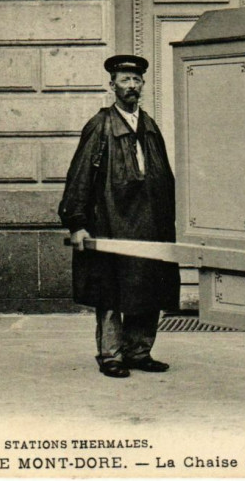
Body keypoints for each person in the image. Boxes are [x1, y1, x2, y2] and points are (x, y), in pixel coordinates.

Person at [59, 55, 180, 379]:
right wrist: (78, 223)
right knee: (110, 290)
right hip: (112, 221)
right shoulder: (100, 126)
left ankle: (139, 351)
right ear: (112, 85)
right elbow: (80, 176)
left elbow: (164, 177)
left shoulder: (150, 126)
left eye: (136, 80)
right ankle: (110, 355)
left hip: (151, 223)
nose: (131, 86)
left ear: (143, 84)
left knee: (150, 287)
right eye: (124, 80)